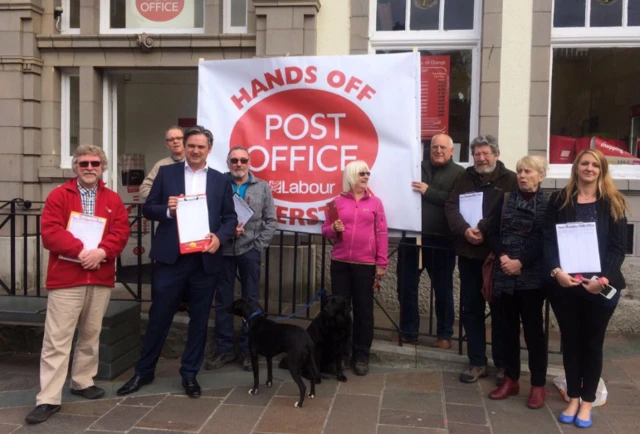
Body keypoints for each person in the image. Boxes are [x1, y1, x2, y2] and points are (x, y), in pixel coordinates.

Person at [117, 125, 237, 398]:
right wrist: (168, 210)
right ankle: (144, 371)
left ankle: (190, 374)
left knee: (199, 321)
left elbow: (230, 218)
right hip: (172, 259)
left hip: (204, 261)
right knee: (159, 316)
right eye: (191, 145)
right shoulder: (167, 173)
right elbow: (149, 209)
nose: (195, 150)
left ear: (209, 150)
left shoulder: (221, 180)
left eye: (201, 146)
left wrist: (220, 237)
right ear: (184, 146)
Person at [26, 145, 130, 424]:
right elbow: (50, 232)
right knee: (57, 340)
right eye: (83, 163)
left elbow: (121, 232)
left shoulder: (113, 199)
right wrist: (82, 251)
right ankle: (48, 397)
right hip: (66, 279)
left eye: (95, 163)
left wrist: (102, 252)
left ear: (102, 167)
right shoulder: (59, 195)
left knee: (90, 333)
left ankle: (82, 381)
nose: (89, 167)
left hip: (99, 275)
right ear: (75, 167)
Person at [544, 149, 628, 429]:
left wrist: (603, 279)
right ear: (576, 167)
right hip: (566, 285)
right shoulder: (559, 200)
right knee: (571, 342)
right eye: (584, 163)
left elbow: (617, 249)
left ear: (602, 170)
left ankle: (588, 401)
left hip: (599, 287)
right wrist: (556, 272)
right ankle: (573, 396)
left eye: (595, 164)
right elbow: (548, 240)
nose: (589, 168)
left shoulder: (613, 202)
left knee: (592, 344)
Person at [444, 134, 517, 385]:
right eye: (477, 154)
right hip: (469, 254)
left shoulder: (511, 180)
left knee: (500, 311)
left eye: (486, 153)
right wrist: (465, 229)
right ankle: (476, 362)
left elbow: (506, 212)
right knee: (471, 310)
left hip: (496, 256)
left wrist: (483, 229)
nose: (481, 158)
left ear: (496, 155)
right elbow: (450, 207)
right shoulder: (464, 177)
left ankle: (502, 364)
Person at [205, 146, 277, 372]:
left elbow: (271, 220)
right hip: (223, 250)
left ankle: (249, 349)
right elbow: (207, 216)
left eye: (243, 160)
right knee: (223, 301)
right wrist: (224, 233)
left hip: (249, 251)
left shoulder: (262, 187)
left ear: (249, 162)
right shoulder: (218, 183)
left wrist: (258, 245)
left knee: (251, 300)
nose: (239, 164)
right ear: (228, 163)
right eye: (234, 160)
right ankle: (224, 348)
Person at [485, 155, 549, 409]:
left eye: (529, 171)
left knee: (534, 335)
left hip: (532, 280)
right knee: (507, 331)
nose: (522, 175)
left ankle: (538, 385)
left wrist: (520, 261)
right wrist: (503, 256)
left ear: (541, 175)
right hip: (504, 276)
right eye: (520, 171)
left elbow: (545, 239)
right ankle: (511, 379)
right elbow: (489, 229)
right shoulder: (506, 199)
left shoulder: (549, 204)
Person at [321, 160, 388, 376]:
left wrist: (382, 263)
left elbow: (382, 234)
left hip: (365, 264)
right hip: (340, 262)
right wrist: (333, 228)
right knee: (341, 312)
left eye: (367, 173)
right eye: (361, 173)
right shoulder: (337, 202)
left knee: (364, 311)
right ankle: (343, 354)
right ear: (351, 176)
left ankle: (361, 355)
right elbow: (325, 230)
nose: (366, 176)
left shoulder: (376, 203)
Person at [397, 134, 464, 348]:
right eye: (435, 147)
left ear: (452, 151)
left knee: (443, 290)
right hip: (412, 239)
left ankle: (445, 335)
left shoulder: (460, 174)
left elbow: (457, 201)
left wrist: (429, 192)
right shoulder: (417, 167)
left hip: (442, 241)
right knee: (406, 287)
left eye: (443, 147)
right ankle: (409, 332)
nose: (438, 151)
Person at [139, 126, 186, 199]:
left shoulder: (194, 163)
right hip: (167, 208)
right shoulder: (161, 165)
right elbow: (144, 189)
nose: (175, 141)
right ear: (167, 144)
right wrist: (162, 199)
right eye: (171, 139)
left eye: (179, 138)